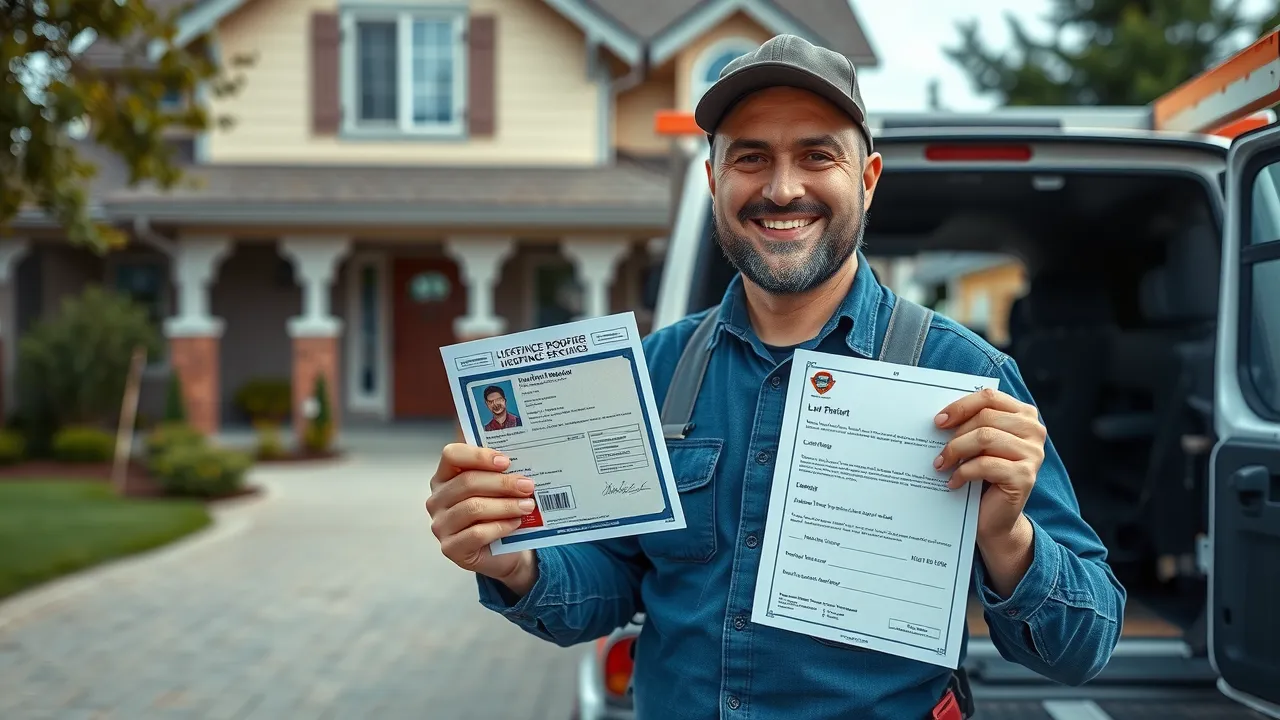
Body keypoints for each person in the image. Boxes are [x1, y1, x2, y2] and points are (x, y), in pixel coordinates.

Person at [427, 34, 1125, 720]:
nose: (782, 188)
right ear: (714, 182)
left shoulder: (965, 377)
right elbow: (611, 586)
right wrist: (513, 560)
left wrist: (1007, 539)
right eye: (751, 158)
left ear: (868, 179)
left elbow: (1082, 647)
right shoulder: (655, 370)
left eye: (816, 155)